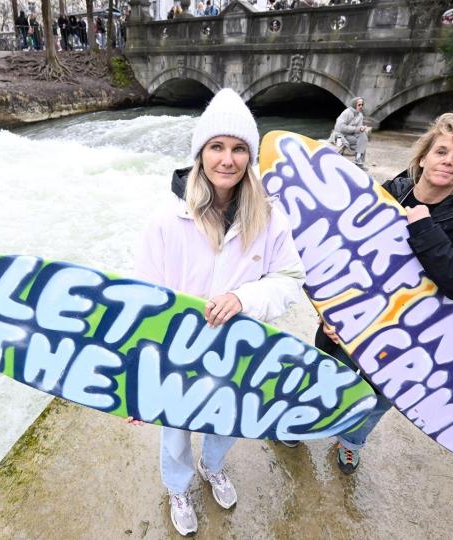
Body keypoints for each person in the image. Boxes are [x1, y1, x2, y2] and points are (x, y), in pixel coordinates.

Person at [131, 89, 306, 537]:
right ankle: (178, 487)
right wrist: (140, 377)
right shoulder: (165, 219)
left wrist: (246, 298)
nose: (227, 160)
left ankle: (213, 466)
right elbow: (143, 297)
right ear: (200, 153)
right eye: (216, 147)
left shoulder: (270, 218)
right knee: (175, 425)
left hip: (238, 349)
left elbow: (290, 277)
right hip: (178, 351)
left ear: (250, 156)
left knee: (227, 415)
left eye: (238, 148)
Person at [316, 112, 453, 475]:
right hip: (357, 317)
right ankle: (302, 422)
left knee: (379, 395)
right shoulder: (391, 191)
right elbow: (344, 254)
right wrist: (327, 311)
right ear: (423, 156)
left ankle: (351, 441)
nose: (448, 161)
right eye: (441, 151)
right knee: (327, 376)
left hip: (411, 334)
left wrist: (424, 226)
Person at [330, 96, 369, 168]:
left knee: (363, 138)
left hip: (350, 136)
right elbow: (340, 127)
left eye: (362, 105)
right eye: (359, 105)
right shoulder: (346, 112)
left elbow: (357, 130)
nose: (361, 106)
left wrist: (361, 129)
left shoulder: (360, 115)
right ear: (354, 104)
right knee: (362, 141)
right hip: (340, 135)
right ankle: (358, 162)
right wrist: (357, 129)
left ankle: (359, 161)